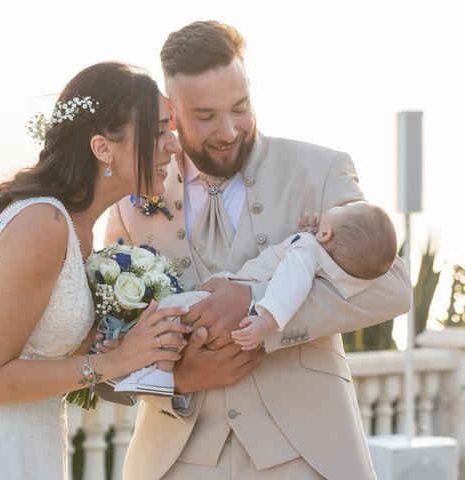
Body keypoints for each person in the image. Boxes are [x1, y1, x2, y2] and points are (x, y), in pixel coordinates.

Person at [105, 21, 412, 480]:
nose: (228, 131)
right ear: (170, 112)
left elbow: (393, 287)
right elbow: (104, 345)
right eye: (205, 116)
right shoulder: (134, 196)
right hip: (176, 460)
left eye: (240, 107)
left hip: (309, 452)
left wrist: (256, 304)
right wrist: (180, 378)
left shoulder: (319, 169)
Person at [0, 61, 190, 480]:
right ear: (103, 148)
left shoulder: (77, 231)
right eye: (158, 131)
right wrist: (115, 361)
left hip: (28, 441)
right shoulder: (42, 225)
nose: (173, 145)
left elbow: (37, 350)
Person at [113, 201, 399, 395]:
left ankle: (160, 372)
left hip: (231, 292)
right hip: (229, 284)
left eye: (339, 209)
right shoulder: (314, 249)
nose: (333, 207)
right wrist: (308, 234)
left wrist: (266, 321)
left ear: (326, 233)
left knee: (167, 311)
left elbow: (291, 286)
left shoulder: (306, 253)